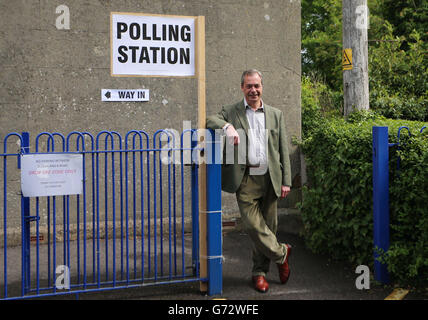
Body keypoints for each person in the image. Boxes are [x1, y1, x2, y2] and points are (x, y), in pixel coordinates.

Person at [206, 69, 292, 293]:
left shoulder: (276, 114)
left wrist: (286, 181)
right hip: (245, 179)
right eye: (249, 86)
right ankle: (282, 254)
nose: (253, 90)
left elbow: (283, 148)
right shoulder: (232, 111)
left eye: (257, 86)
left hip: (271, 178)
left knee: (268, 228)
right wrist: (228, 127)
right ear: (242, 88)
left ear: (262, 87)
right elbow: (210, 119)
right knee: (254, 226)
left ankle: (259, 273)